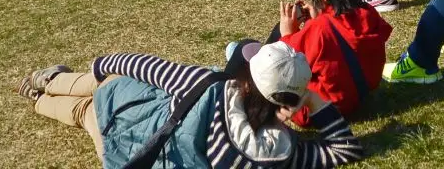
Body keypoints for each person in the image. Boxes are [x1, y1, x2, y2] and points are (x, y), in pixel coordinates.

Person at [19, 40, 363, 168]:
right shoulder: (277, 153)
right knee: (85, 115)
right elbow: (345, 150)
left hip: (131, 117)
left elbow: (142, 65)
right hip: (126, 157)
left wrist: (100, 65)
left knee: (101, 87)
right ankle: (38, 102)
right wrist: (313, 98)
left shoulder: (206, 84)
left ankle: (45, 81)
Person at [274, 0, 392, 125]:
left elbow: (286, 64)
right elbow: (341, 37)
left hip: (318, 111)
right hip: (362, 95)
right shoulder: (369, 13)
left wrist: (287, 33)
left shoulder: (319, 29)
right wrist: (318, 17)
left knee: (248, 52)